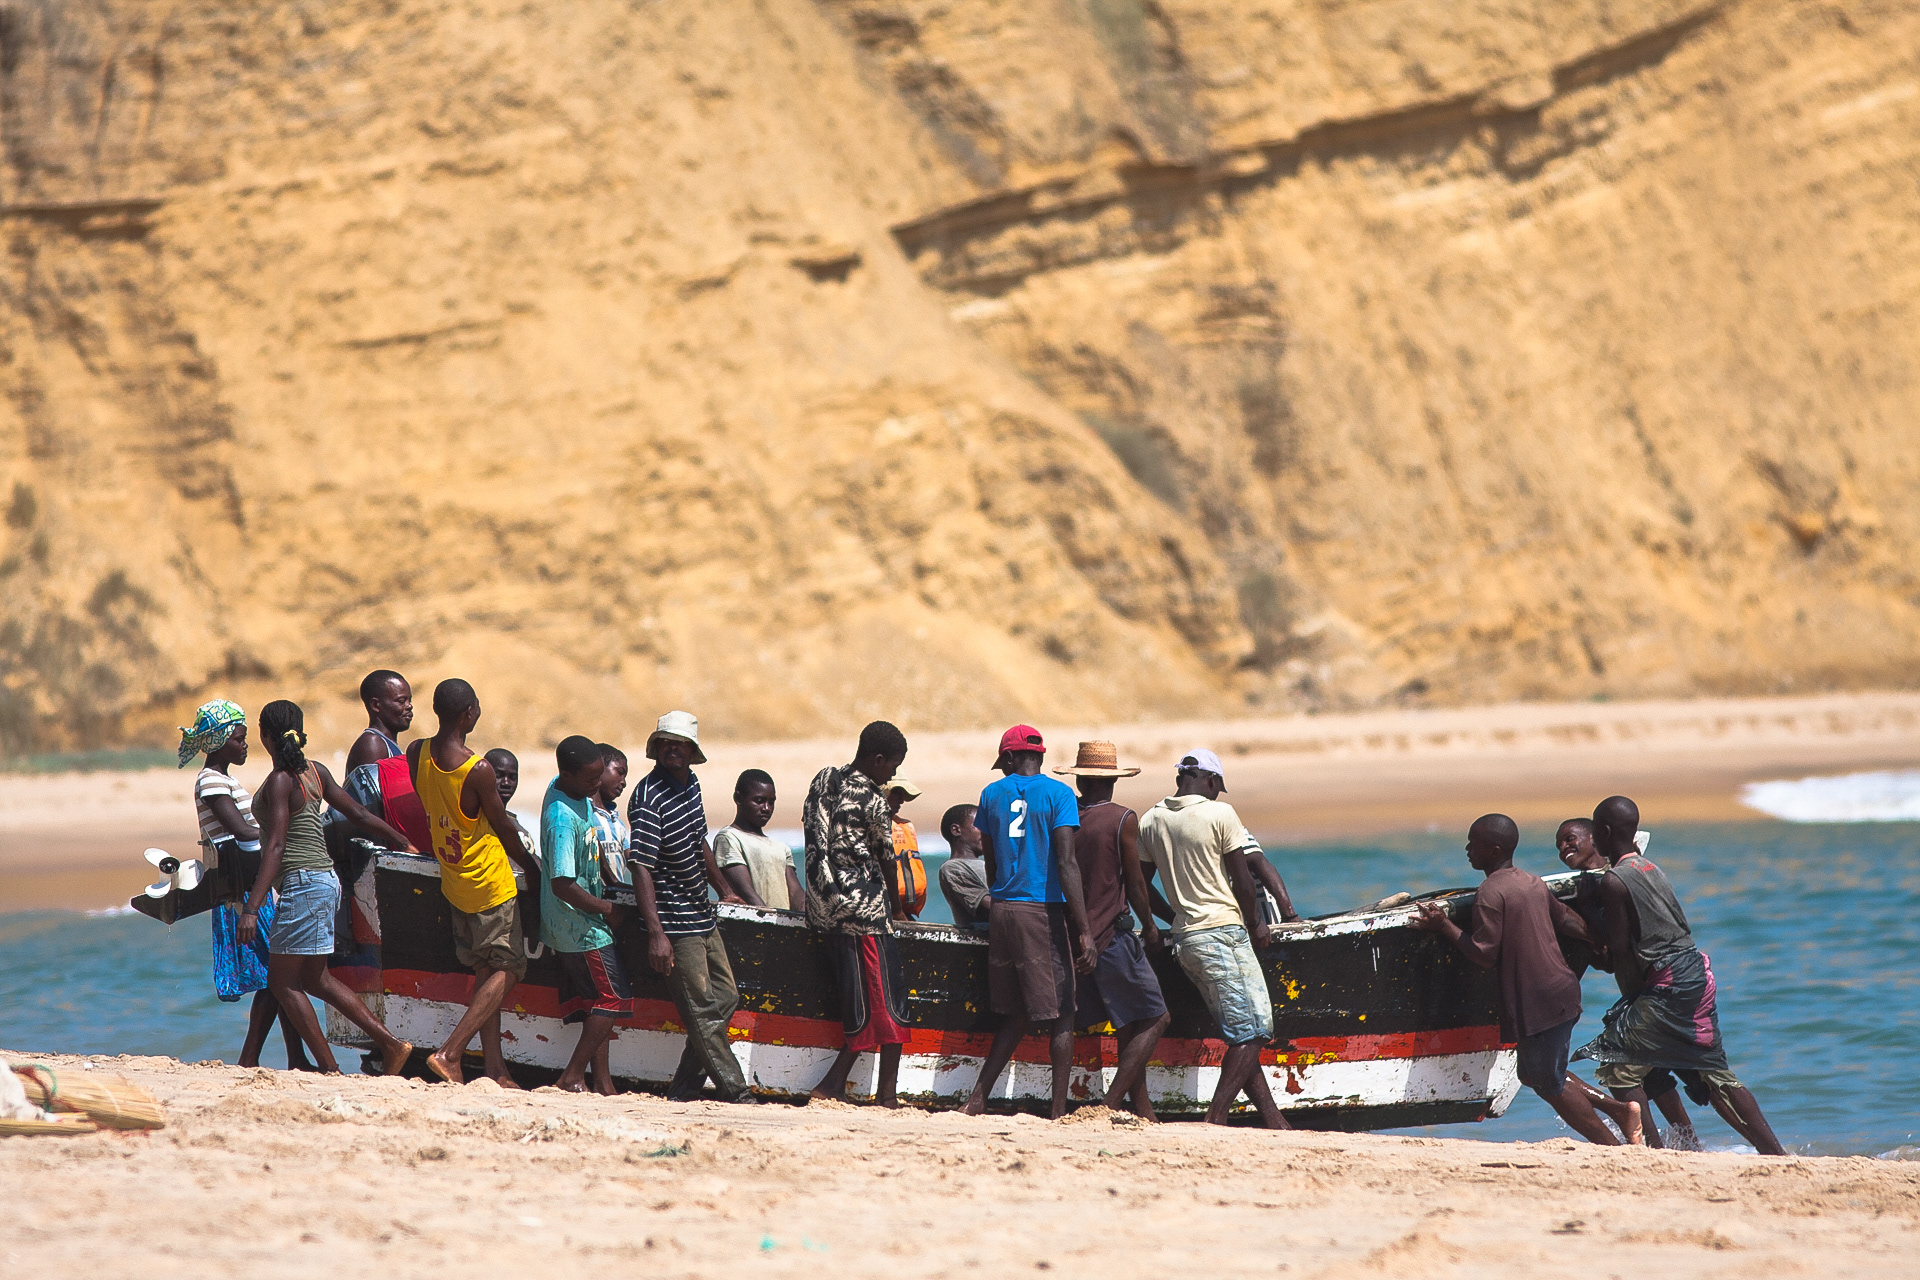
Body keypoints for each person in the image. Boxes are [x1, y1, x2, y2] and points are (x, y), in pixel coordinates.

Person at [1574, 796, 1786, 1155]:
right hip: (1695, 974)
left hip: (1668, 982)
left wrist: (1581, 924)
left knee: (1617, 1064)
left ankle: (1651, 1151)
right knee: (1713, 1073)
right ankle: (1776, 1154)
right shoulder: (1649, 867)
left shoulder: (1614, 880)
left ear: (1604, 833)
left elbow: (1618, 944)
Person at [1409, 813, 1637, 1144]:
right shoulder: (1531, 881)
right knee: (1531, 1074)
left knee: (1548, 1083)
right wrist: (1597, 940)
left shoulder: (1490, 892)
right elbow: (1566, 919)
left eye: (1474, 843)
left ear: (1494, 849)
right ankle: (1620, 1111)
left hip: (1540, 1000)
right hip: (1560, 993)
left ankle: (1613, 1144)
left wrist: (1443, 926)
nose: (1468, 849)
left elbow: (1484, 954)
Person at [239, 700, 417, 1077]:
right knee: (315, 979)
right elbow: (359, 814)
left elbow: (276, 846)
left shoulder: (280, 781)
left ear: (265, 735)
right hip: (325, 882)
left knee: (282, 982)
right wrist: (400, 841)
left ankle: (330, 1068)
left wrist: (252, 907)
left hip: (303, 885)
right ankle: (391, 1045)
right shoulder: (315, 772)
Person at [1135, 749, 1288, 1128]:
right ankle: (1215, 1120)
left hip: (1187, 939)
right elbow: (1243, 881)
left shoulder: (1151, 819)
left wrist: (1173, 917)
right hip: (1224, 934)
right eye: (1218, 786)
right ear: (1212, 781)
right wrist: (1255, 924)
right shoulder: (1220, 814)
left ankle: (1274, 1120)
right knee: (1254, 1033)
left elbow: (1138, 885)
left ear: (1178, 780)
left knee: (1243, 1031)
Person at [407, 679, 543, 1086]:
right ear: (470, 713)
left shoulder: (418, 752)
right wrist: (532, 868)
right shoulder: (477, 768)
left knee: (487, 973)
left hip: (454, 881)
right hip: (489, 883)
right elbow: (502, 826)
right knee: (510, 968)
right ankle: (450, 1053)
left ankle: (495, 1069)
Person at [962, 725, 1093, 1121]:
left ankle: (977, 1099)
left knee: (1016, 1012)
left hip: (1003, 909)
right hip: (1041, 911)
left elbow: (990, 859)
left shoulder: (990, 794)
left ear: (1007, 758)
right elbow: (1067, 862)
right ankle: (1057, 1111)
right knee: (1063, 1011)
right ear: (1039, 755)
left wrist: (1005, 888)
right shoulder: (1059, 794)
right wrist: (1084, 927)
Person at [628, 710, 755, 1104]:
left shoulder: (690, 785)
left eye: (680, 743)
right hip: (673, 921)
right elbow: (641, 866)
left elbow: (700, 841)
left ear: (691, 750)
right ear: (657, 747)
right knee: (701, 1008)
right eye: (666, 742)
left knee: (726, 997)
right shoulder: (647, 797)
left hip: (701, 911)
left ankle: (682, 1089)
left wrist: (723, 889)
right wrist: (656, 933)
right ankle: (737, 1090)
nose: (673, 749)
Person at [178, 699, 312, 1071]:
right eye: (238, 739)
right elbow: (240, 831)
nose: (245, 745)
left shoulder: (226, 779)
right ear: (219, 742)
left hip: (252, 886)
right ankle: (252, 1057)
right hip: (238, 892)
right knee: (276, 976)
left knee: (278, 976)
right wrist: (284, 833)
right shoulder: (210, 781)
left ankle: (293, 1056)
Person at [1556, 818, 1701, 1150]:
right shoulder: (1586, 890)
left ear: (1597, 838)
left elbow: (1617, 947)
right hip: (1642, 989)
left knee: (1621, 1071)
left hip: (1656, 986)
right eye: (1558, 844)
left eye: (1569, 839)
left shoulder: (1619, 880)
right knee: (1653, 1073)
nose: (1563, 847)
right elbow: (1606, 960)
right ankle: (1689, 1146)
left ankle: (1650, 1144)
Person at [1054, 741, 1169, 1119]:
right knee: (1155, 1017)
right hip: (1113, 936)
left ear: (1081, 779)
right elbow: (1136, 884)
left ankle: (1142, 1107)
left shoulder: (1066, 817)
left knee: (1125, 1021)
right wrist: (1151, 926)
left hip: (1072, 935)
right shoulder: (1122, 818)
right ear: (1113, 781)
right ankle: (1110, 1103)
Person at [803, 722, 913, 1105]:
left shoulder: (825, 779)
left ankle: (863, 1090)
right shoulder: (874, 800)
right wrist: (896, 910)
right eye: (893, 766)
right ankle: (881, 1093)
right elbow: (886, 859)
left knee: (861, 1002)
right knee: (889, 1002)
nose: (894, 775)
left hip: (822, 907)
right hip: (863, 911)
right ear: (878, 760)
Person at [539, 737, 631, 1094]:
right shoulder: (561, 819)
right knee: (615, 998)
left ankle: (603, 1082)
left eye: (599, 778)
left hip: (580, 921)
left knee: (597, 1003)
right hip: (578, 925)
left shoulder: (567, 789)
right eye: (591, 781)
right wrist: (608, 909)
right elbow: (562, 883)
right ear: (569, 773)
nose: (597, 788)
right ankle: (572, 1075)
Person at [714, 769, 805, 911]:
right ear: (738, 799)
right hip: (755, 926)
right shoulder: (729, 838)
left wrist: (806, 912)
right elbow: (745, 890)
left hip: (782, 926)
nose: (767, 808)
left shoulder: (781, 848)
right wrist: (768, 917)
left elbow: (795, 892)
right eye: (759, 801)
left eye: (771, 802)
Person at [344, 670, 413, 775]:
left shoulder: (386, 743)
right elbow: (373, 791)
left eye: (409, 700)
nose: (409, 706)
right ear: (376, 705)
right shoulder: (372, 743)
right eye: (401, 701)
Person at [937, 804, 989, 933]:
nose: (987, 831)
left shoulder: (987, 864)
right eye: (980, 826)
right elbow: (990, 907)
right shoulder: (952, 868)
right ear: (956, 830)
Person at [884, 778, 928, 921]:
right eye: (896, 792)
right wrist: (897, 912)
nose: (901, 800)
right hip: (882, 912)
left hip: (901, 912)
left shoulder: (902, 826)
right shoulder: (868, 827)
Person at [592, 744, 631, 888]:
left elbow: (631, 860)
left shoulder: (616, 822)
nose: (624, 782)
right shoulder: (586, 814)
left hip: (616, 899)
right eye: (620, 772)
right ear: (599, 768)